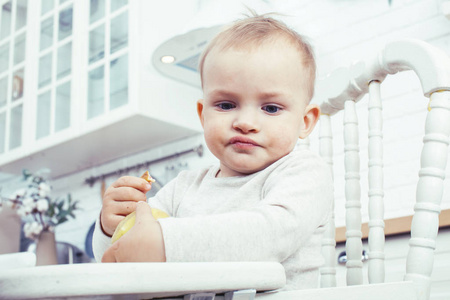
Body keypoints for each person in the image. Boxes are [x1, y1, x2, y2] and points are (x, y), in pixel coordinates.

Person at [93, 12, 333, 291]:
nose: (245, 122)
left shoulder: (303, 172)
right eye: (226, 105)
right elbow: (118, 260)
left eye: (270, 108)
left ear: (305, 122)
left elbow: (271, 235)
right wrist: (113, 226)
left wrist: (163, 243)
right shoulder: (182, 188)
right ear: (203, 114)